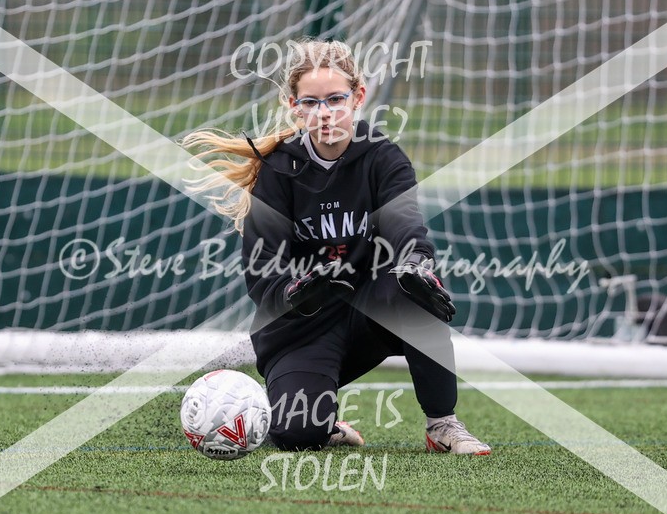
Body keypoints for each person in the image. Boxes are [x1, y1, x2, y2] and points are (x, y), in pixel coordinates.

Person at [184, 38, 490, 455]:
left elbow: (405, 225)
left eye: (335, 99)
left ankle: (442, 425)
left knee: (415, 287)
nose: (324, 113)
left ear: (358, 97)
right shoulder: (279, 172)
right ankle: (322, 420)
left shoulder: (383, 158)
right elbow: (261, 273)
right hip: (302, 327)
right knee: (295, 435)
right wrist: (297, 290)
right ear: (294, 105)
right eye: (310, 103)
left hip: (369, 311)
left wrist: (418, 263)